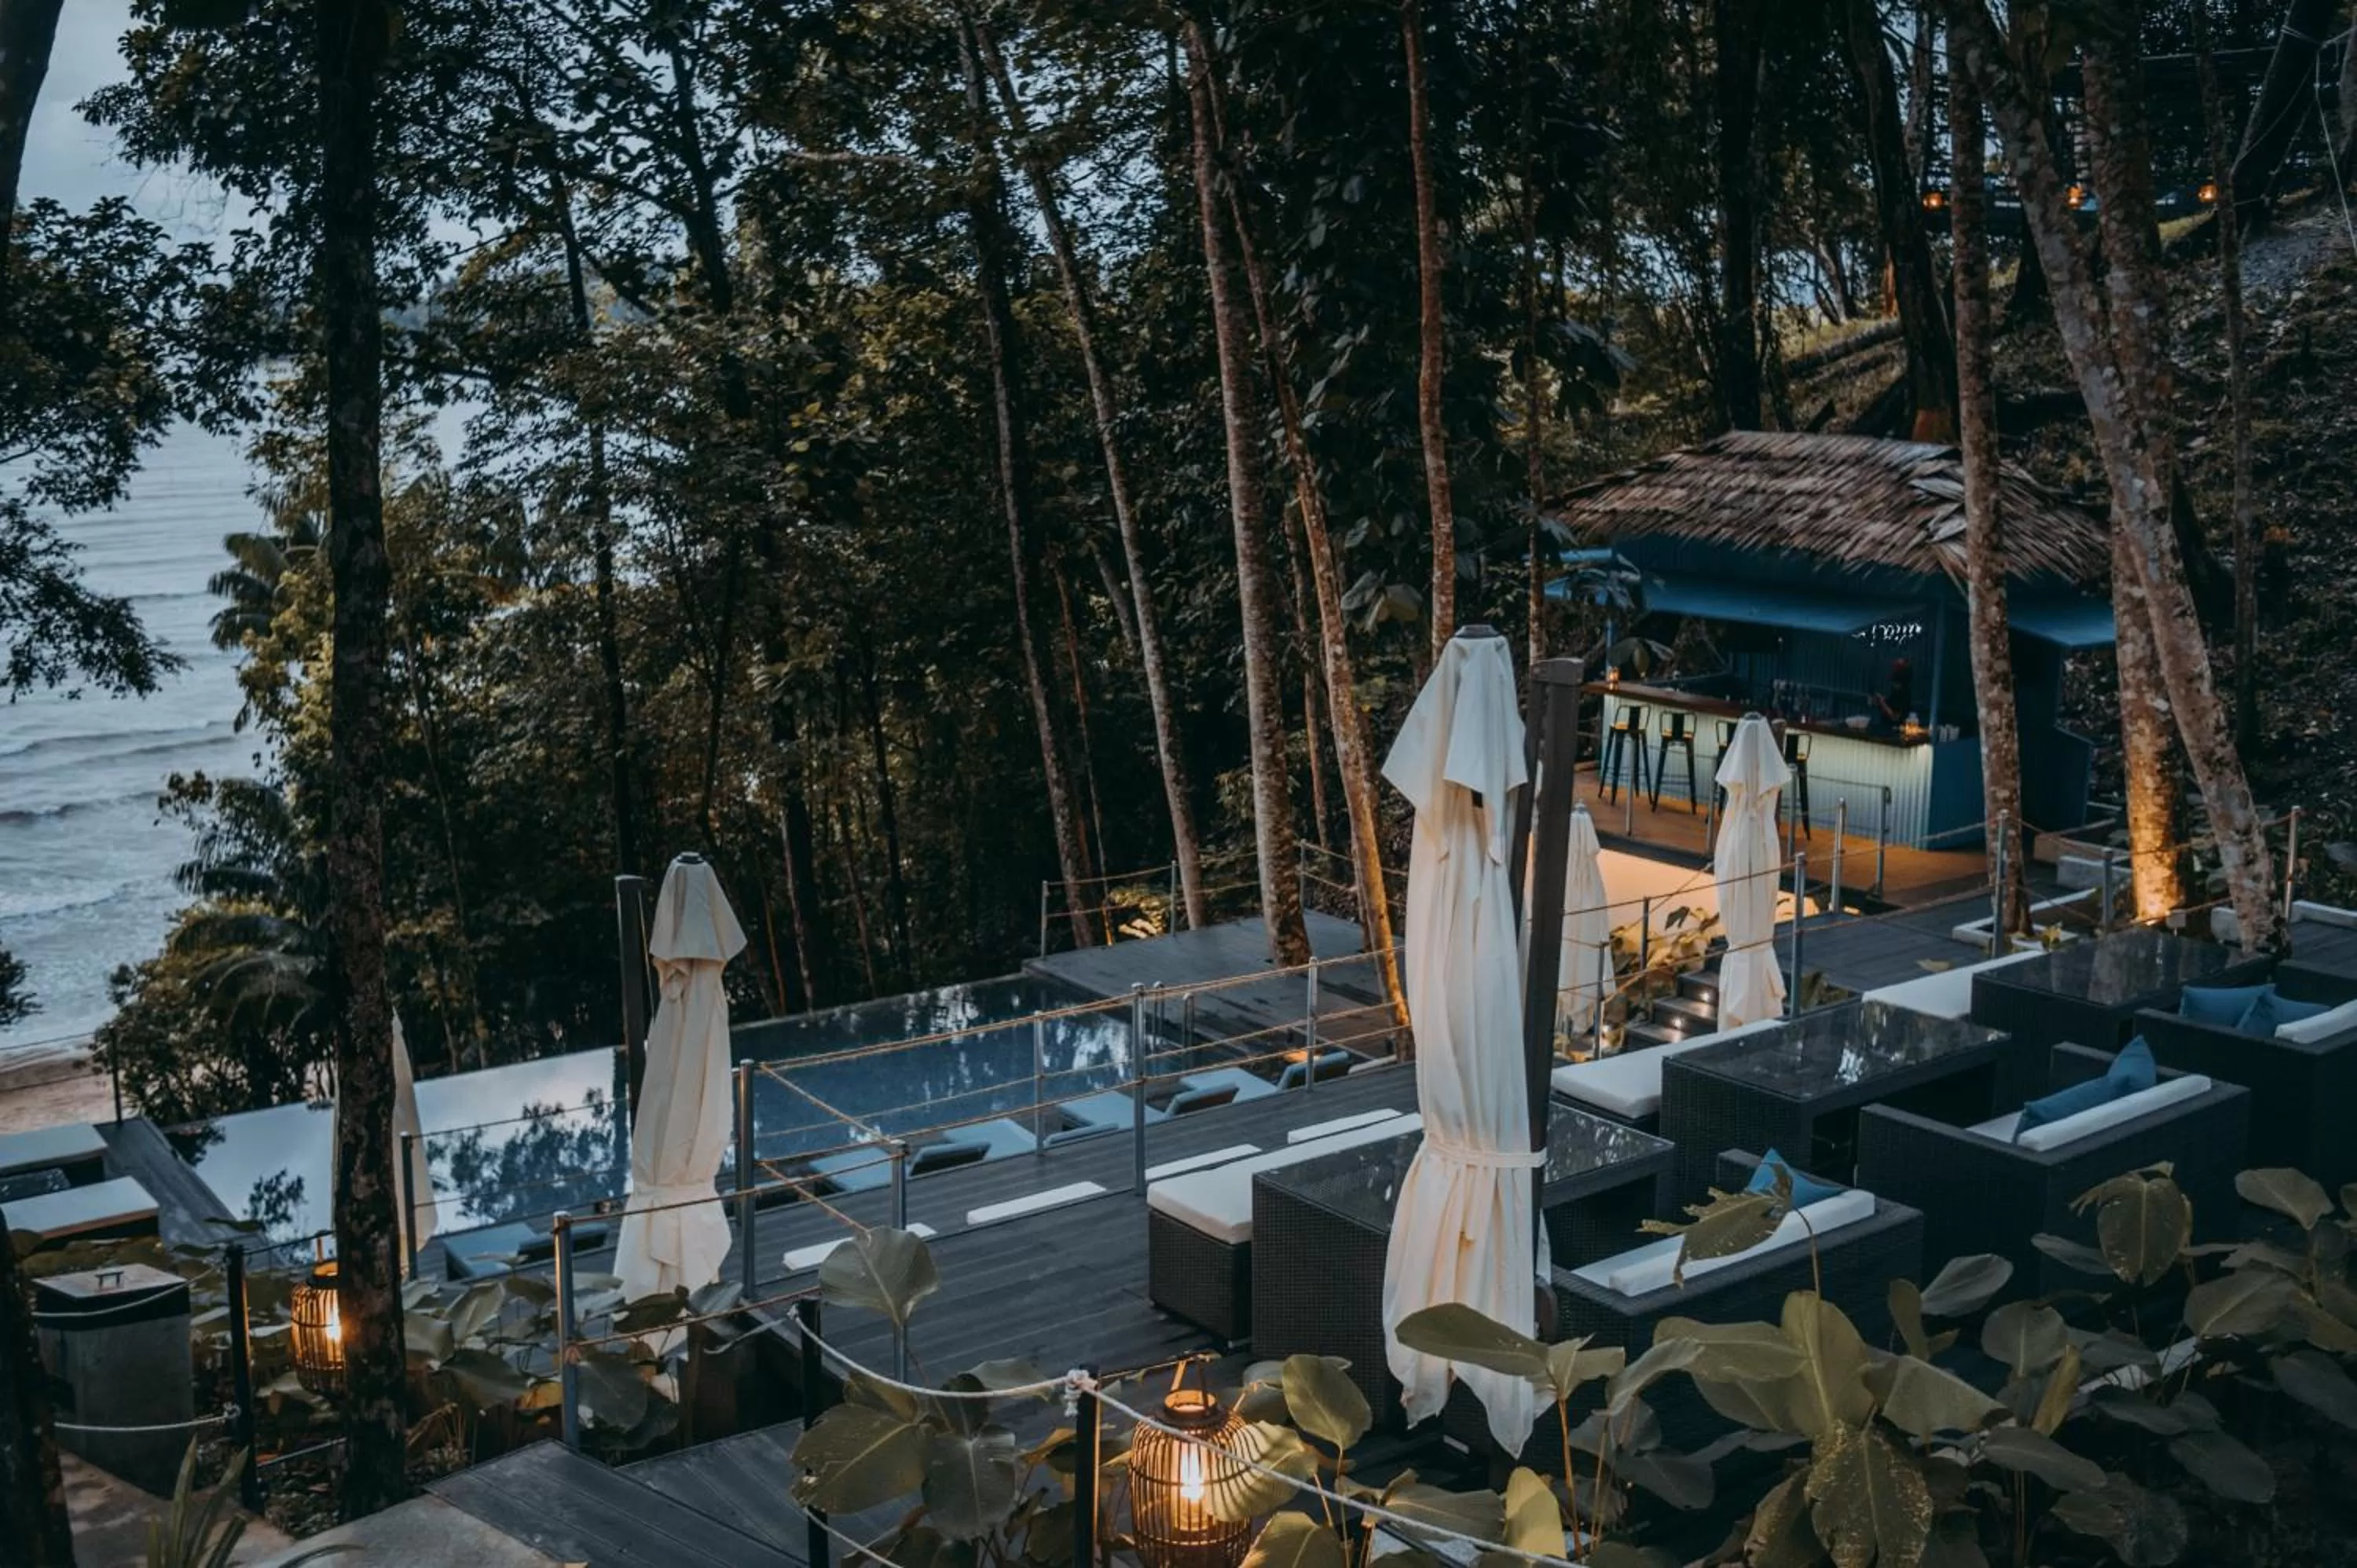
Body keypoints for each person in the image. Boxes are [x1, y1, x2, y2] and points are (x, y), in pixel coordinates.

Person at [1872, 658, 1915, 727]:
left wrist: (1882, 702)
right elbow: (1892, 705)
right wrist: (1882, 700)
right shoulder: (1896, 690)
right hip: (1886, 726)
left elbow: (1895, 717)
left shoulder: (1904, 693)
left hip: (1894, 729)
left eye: (1896, 668)